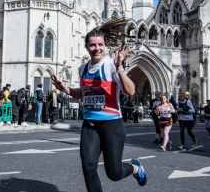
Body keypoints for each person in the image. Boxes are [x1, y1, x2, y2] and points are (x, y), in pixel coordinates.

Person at [52, 28, 147, 192]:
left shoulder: (111, 65)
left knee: (114, 173)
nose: (97, 48)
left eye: (100, 44)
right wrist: (65, 89)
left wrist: (120, 68)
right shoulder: (83, 69)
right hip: (90, 125)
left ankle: (135, 168)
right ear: (87, 47)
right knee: (88, 168)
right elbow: (82, 94)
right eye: (92, 45)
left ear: (105, 46)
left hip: (112, 125)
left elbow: (131, 91)